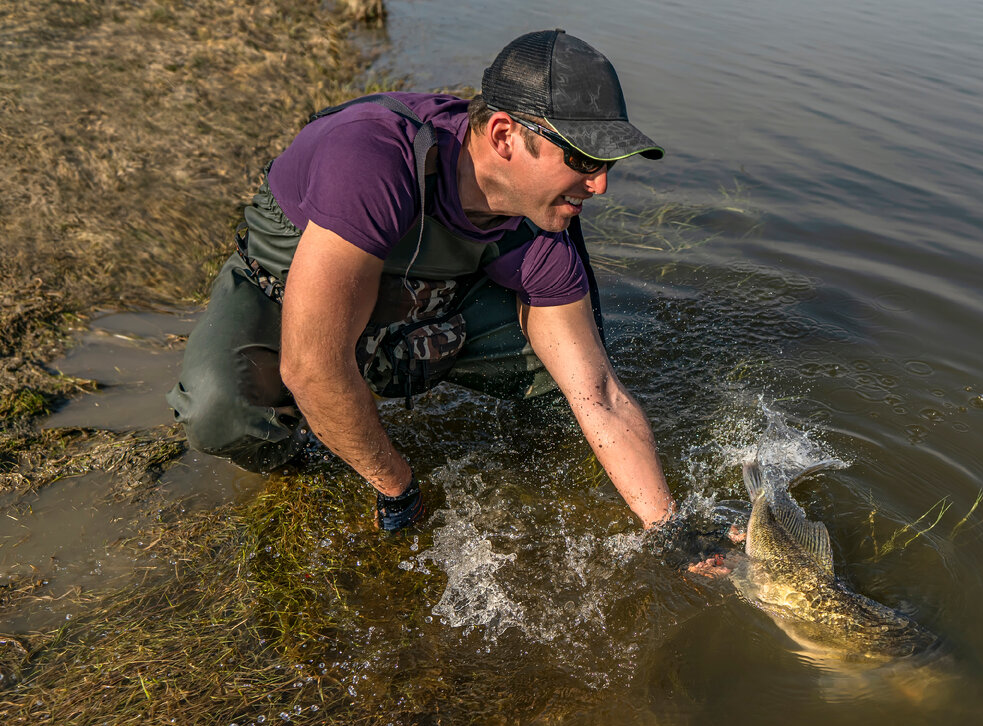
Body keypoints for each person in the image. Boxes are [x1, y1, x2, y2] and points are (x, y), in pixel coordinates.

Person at [167, 29, 677, 533]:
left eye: (608, 162)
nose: (601, 184)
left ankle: (528, 459)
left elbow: (602, 397)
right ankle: (302, 459)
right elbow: (311, 365)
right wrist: (398, 486)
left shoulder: (544, 227)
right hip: (281, 293)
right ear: (504, 136)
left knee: (564, 383)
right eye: (585, 159)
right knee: (221, 415)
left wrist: (670, 529)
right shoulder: (372, 160)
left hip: (422, 304)